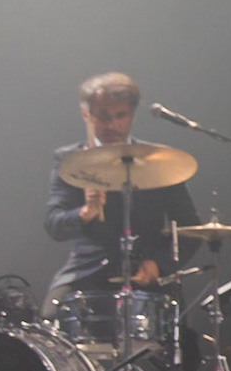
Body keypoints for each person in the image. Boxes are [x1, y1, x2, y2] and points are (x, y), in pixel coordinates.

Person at [43, 72, 199, 314]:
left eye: (120, 116)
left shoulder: (161, 162)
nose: (112, 125)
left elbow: (191, 229)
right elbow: (54, 225)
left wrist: (160, 263)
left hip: (147, 275)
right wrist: (85, 213)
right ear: (86, 114)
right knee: (49, 322)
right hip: (88, 272)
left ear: (132, 115)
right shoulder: (69, 160)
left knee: (182, 340)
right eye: (103, 117)